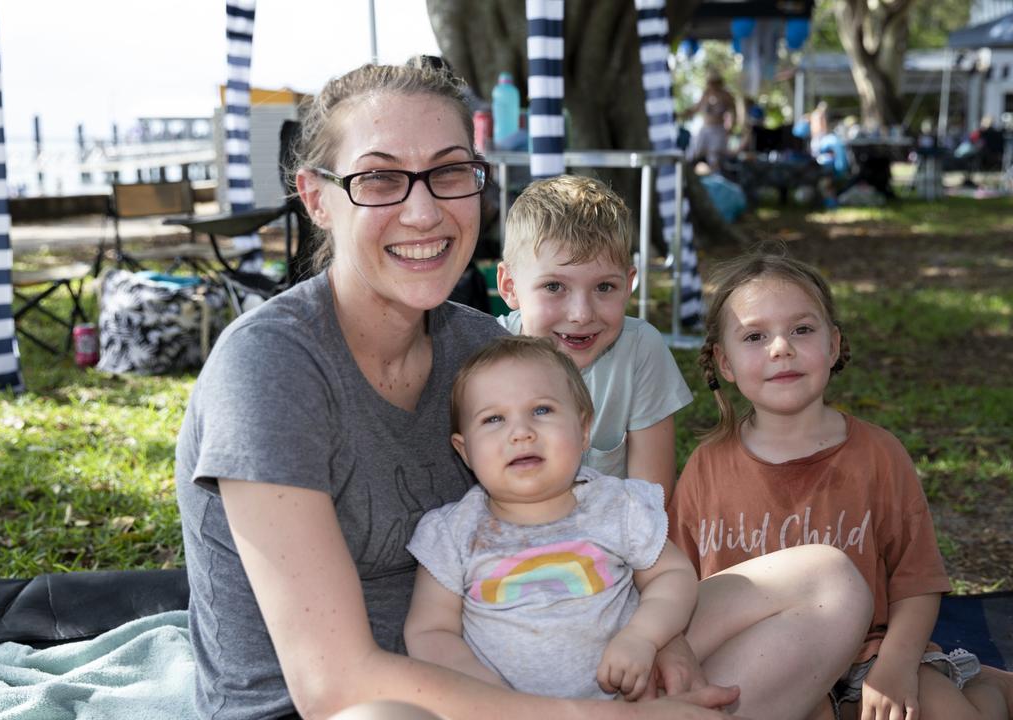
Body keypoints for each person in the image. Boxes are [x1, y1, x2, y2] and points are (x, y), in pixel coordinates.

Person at [176, 59, 871, 720]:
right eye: (381, 180)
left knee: (827, 585)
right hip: (364, 701)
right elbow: (333, 685)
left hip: (531, 663)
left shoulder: (482, 350)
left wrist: (668, 645)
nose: (423, 212)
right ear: (317, 198)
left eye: (450, 173)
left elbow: (593, 531)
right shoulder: (269, 369)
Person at [668, 251, 1013, 720]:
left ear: (833, 345)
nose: (781, 347)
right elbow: (681, 590)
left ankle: (988, 695)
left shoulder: (878, 454)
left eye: (802, 330)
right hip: (771, 664)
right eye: (755, 335)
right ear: (724, 361)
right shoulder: (707, 466)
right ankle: (985, 686)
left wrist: (897, 668)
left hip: (870, 659)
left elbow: (917, 581)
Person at [405, 336, 698, 700]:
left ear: (584, 429)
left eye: (541, 410)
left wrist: (643, 636)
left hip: (623, 705)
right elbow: (430, 631)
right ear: (465, 451)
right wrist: (485, 692)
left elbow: (674, 575)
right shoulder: (453, 534)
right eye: (493, 418)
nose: (521, 432)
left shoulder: (617, 506)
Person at [496, 175, 691, 501]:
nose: (581, 314)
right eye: (554, 287)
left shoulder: (641, 349)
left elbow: (650, 502)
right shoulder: (486, 355)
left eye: (604, 287)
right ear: (510, 286)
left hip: (613, 543)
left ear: (629, 284)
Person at [684, 70, 738, 171]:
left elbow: (733, 112)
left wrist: (731, 127)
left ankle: (716, 179)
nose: (712, 85)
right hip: (705, 128)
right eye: (710, 82)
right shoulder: (706, 94)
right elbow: (696, 108)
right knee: (694, 152)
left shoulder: (726, 95)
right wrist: (684, 113)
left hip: (718, 130)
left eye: (714, 82)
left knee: (714, 157)